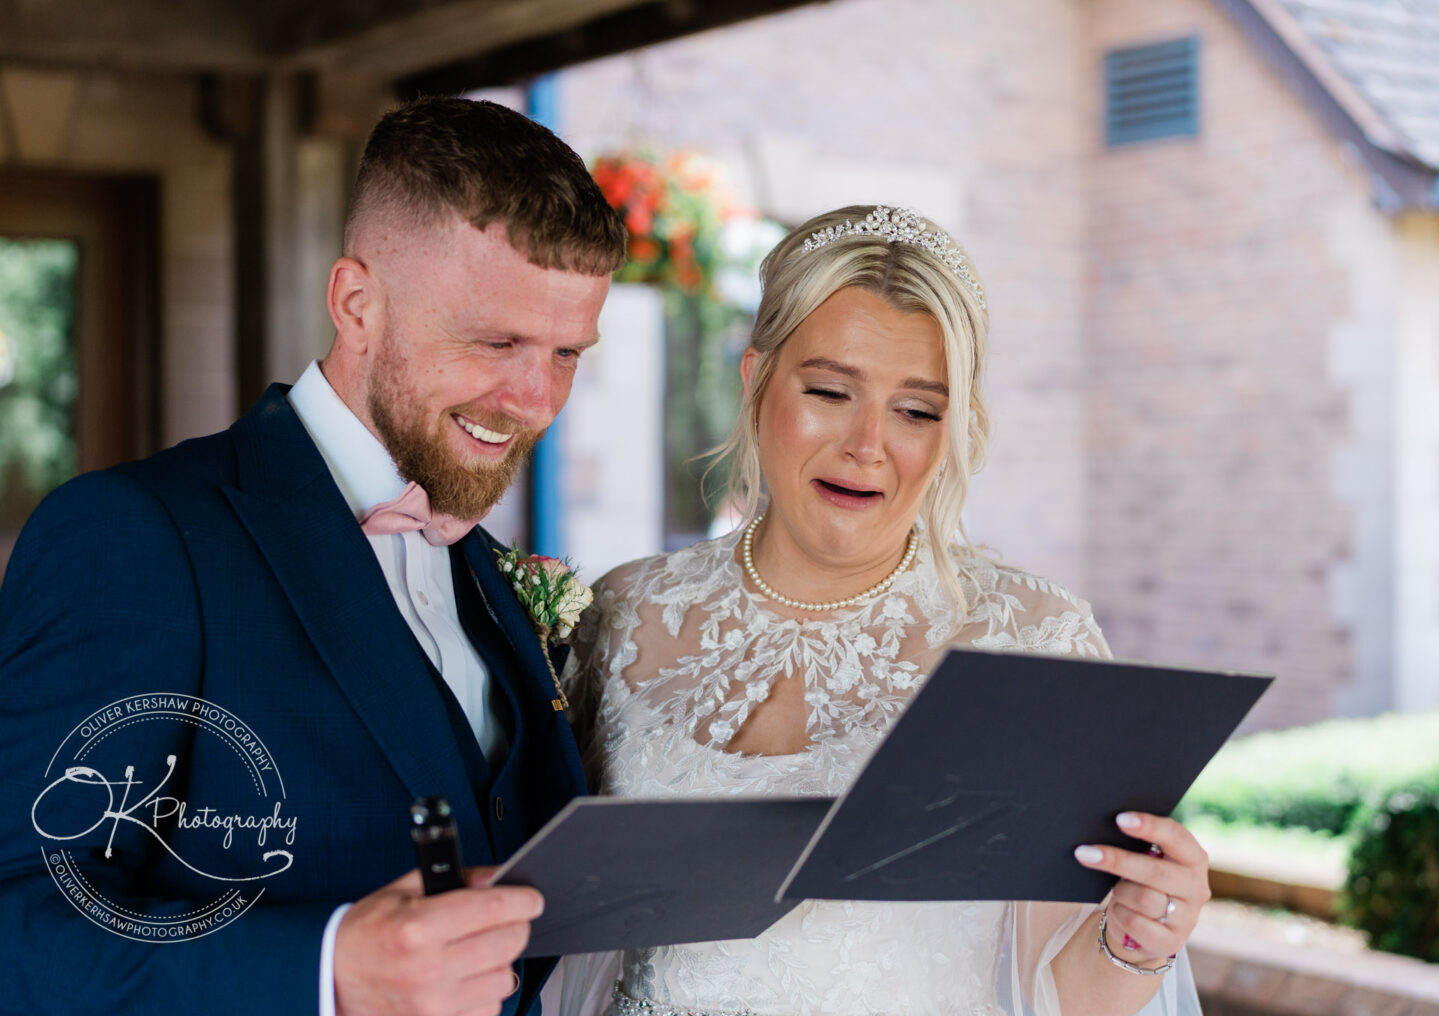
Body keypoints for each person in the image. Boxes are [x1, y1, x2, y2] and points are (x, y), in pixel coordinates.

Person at [0, 96, 626, 1016]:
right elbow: (19, 926)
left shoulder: (491, 574)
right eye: (497, 341)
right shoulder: (135, 536)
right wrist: (326, 969)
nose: (535, 398)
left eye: (568, 351)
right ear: (356, 303)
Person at [564, 205, 1209, 1016]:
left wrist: (1136, 938)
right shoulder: (623, 616)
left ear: (954, 428)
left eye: (917, 411)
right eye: (831, 391)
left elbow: (1066, 990)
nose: (868, 443)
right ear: (756, 378)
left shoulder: (1033, 643)